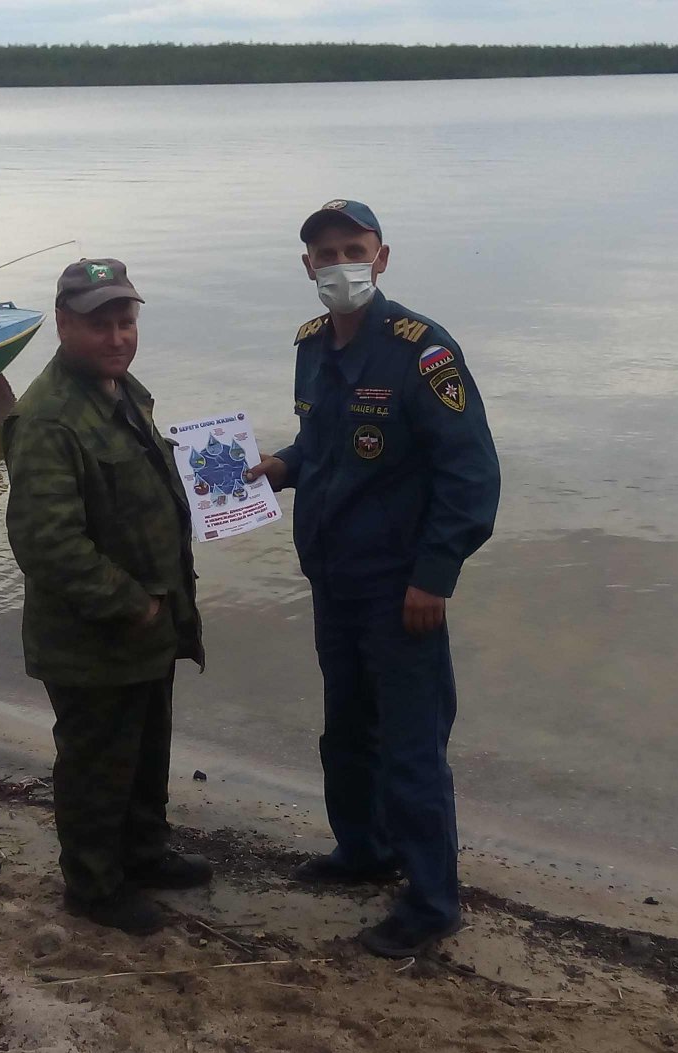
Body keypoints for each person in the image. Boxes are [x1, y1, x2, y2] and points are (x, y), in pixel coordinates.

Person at [247, 199, 501, 957]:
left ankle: (432, 902)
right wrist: (281, 467)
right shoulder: (311, 345)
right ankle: (364, 850)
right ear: (307, 266)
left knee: (412, 747)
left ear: (381, 258)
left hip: (401, 590)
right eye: (325, 254)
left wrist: (435, 575)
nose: (340, 265)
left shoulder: (423, 351)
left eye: (353, 250)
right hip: (335, 577)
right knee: (348, 731)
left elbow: (471, 474)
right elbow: (323, 444)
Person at [3, 258, 211, 935]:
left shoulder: (120, 391)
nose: (117, 337)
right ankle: (94, 887)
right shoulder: (48, 419)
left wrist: (221, 474)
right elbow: (47, 542)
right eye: (100, 325)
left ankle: (143, 854)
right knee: (97, 763)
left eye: (126, 322)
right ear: (64, 324)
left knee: (145, 749)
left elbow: (139, 481)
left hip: (148, 625)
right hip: (95, 635)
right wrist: (133, 604)